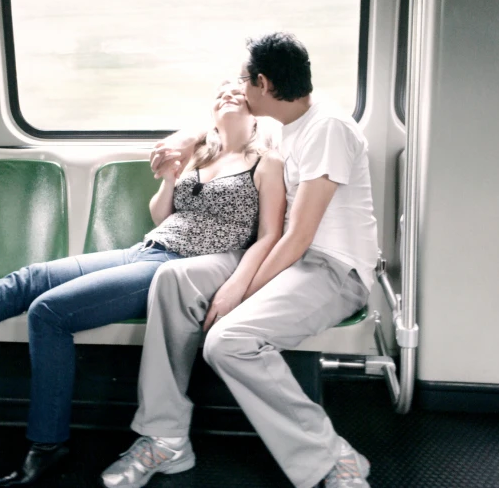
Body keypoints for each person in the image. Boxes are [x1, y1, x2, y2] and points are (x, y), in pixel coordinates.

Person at [0, 80, 286, 487]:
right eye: (221, 91)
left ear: (255, 111)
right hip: (147, 249)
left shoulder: (264, 163)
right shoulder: (203, 154)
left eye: (238, 93)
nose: (228, 94)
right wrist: (171, 178)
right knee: (29, 278)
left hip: (184, 269)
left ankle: (47, 446)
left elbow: (269, 235)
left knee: (49, 312)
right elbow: (163, 217)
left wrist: (236, 286)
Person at [101, 32, 378, 488]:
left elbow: (298, 237)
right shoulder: (281, 120)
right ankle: (165, 438)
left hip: (328, 267)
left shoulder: (327, 128)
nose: (241, 88)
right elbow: (219, 123)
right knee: (172, 280)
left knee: (228, 341)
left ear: (264, 84)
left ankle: (334, 458)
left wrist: (238, 291)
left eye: (246, 81)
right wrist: (187, 139)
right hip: (284, 258)